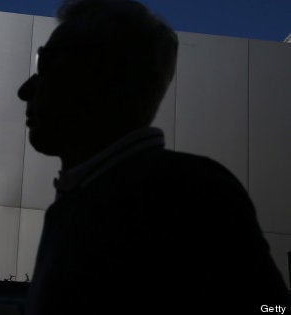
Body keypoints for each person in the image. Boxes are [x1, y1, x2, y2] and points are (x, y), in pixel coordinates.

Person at [17, 0, 291, 314]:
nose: (25, 89)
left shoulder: (191, 195)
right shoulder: (78, 200)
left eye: (46, 65)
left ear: (102, 77)